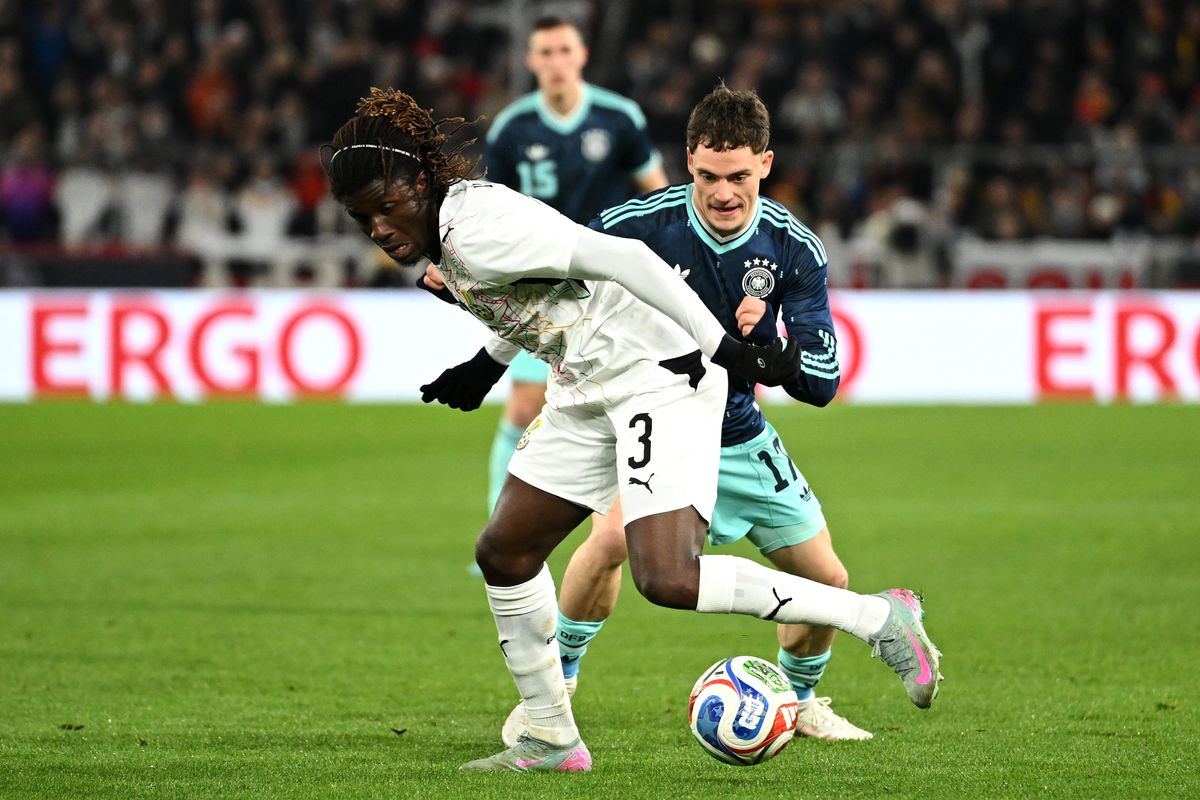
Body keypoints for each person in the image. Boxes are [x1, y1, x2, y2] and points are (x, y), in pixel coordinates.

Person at [323, 86, 942, 773]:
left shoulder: (481, 227)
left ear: (418, 182)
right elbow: (545, 297)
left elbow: (628, 262)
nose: (378, 228)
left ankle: (878, 618)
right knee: (505, 551)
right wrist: (485, 363)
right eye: (362, 218)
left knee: (667, 577)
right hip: (586, 384)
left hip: (657, 375)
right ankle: (552, 738)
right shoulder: (451, 231)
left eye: (386, 206)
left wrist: (723, 346)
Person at [499, 84, 885, 746]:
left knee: (829, 579)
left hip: (736, 434)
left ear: (766, 163)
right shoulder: (637, 226)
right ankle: (551, 691)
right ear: (688, 162)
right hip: (654, 427)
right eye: (708, 175)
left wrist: (775, 353)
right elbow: (550, 287)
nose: (723, 192)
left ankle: (797, 702)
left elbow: (823, 381)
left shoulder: (794, 249)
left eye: (738, 176)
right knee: (613, 539)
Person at [483, 16, 668, 518]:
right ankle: (501, 530)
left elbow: (657, 194)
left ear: (581, 55)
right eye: (545, 52)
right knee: (524, 407)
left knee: (619, 403)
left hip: (610, 287)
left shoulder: (618, 117)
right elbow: (488, 208)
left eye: (564, 50)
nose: (556, 62)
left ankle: (617, 525)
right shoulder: (512, 128)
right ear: (530, 61)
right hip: (537, 288)